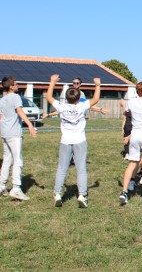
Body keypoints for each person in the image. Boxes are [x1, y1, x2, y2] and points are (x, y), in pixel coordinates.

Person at [46, 74, 101, 207]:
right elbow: (95, 99)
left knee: (62, 168)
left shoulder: (62, 107)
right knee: (81, 169)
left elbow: (49, 97)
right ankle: (82, 195)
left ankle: (58, 194)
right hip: (80, 141)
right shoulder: (82, 106)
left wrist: (52, 82)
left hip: (65, 141)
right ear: (78, 97)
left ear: (66, 97)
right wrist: (98, 85)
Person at [0, 76, 38, 200]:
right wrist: (30, 125)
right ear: (11, 86)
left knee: (7, 159)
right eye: (15, 84)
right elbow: (20, 111)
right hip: (14, 133)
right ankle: (16, 189)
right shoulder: (15, 97)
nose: (17, 85)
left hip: (5, 133)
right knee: (18, 160)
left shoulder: (2, 99)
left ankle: (1, 186)